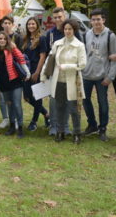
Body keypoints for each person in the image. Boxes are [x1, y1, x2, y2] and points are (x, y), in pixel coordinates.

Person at [41, 19, 86, 144]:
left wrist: (67, 66)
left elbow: (82, 64)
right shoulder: (57, 43)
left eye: (70, 29)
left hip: (73, 81)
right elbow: (49, 60)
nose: (67, 31)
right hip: (58, 80)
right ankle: (60, 132)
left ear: (74, 30)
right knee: (59, 107)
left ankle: (77, 133)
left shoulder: (79, 45)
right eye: (65, 29)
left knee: (74, 109)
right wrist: (43, 75)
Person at [82, 9, 116, 141]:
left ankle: (102, 128)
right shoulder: (86, 34)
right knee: (85, 101)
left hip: (102, 76)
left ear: (103, 20)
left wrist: (110, 77)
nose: (96, 22)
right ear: (90, 21)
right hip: (86, 75)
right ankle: (92, 125)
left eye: (98, 19)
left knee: (102, 103)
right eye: (93, 19)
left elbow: (115, 58)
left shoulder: (110, 36)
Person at [0, 31, 30, 138]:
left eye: (4, 39)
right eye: (0, 38)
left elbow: (21, 59)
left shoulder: (12, 49)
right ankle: (12, 126)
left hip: (15, 81)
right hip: (3, 83)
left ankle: (20, 127)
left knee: (17, 104)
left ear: (7, 40)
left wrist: (27, 72)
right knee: (9, 104)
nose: (2, 40)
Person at [45, 7, 74, 136]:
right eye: (55, 17)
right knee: (53, 99)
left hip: (69, 71)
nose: (57, 20)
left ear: (65, 17)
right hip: (55, 71)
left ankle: (65, 126)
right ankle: (53, 125)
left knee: (67, 99)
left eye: (60, 17)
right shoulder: (50, 34)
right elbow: (47, 54)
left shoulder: (72, 32)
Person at [21, 17, 50, 131]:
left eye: (33, 24)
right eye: (29, 24)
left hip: (36, 70)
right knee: (27, 97)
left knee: (37, 97)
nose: (31, 26)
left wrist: (37, 72)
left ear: (37, 25)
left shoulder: (42, 38)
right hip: (26, 72)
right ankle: (46, 113)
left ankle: (34, 121)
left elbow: (43, 56)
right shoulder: (25, 39)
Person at [0, 15, 22, 129]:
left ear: (12, 24)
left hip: (15, 76)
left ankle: (18, 123)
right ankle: (8, 120)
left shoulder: (17, 37)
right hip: (3, 78)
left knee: (16, 102)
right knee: (7, 101)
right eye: (4, 23)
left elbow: (21, 57)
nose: (6, 25)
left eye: (9, 23)